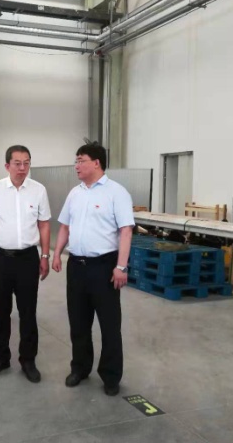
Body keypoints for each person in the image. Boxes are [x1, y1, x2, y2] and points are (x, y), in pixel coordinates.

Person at [52, 142, 134, 396]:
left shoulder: (116, 193)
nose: (76, 166)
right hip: (76, 266)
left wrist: (121, 266)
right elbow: (65, 226)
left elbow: (126, 231)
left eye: (81, 160)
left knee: (109, 325)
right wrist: (56, 253)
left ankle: (110, 376)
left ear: (96, 163)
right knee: (78, 322)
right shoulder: (74, 193)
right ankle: (80, 368)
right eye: (76, 161)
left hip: (104, 268)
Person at [0, 145, 51, 383]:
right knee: (1, 312)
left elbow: (44, 225)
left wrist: (45, 256)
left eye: (26, 163)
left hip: (28, 259)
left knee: (28, 312)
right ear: (7, 165)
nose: (22, 168)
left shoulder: (38, 190)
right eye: (17, 163)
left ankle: (28, 360)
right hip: (0, 259)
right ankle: (1, 357)